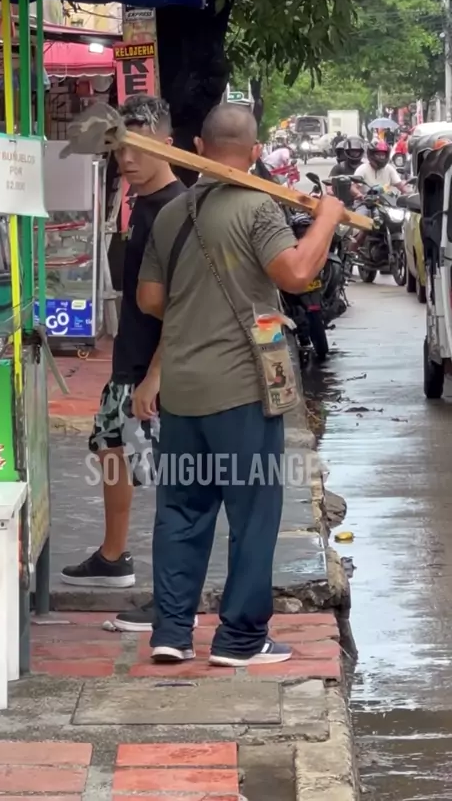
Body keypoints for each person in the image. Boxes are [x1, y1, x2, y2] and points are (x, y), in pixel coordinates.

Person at [137, 103, 344, 667]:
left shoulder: (172, 213)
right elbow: (296, 274)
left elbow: (150, 299)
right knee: (252, 514)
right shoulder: (258, 206)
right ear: (254, 153)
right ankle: (240, 639)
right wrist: (328, 217)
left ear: (198, 148)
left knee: (181, 511)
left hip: (182, 392)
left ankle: (172, 632)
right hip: (242, 392)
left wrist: (195, 308)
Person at [61, 94, 186, 633]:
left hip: (162, 371)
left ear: (168, 145)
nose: (126, 160)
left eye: (137, 147)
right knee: (111, 450)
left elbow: (183, 306)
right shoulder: (143, 205)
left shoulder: (177, 211)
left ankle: (170, 599)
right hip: (129, 363)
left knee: (174, 487)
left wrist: (156, 374)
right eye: (118, 149)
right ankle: (113, 557)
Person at [327, 136, 365, 207]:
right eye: (352, 152)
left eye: (356, 152)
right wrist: (330, 192)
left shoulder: (365, 167)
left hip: (362, 201)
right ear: (347, 152)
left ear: (361, 152)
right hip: (341, 202)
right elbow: (329, 183)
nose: (354, 154)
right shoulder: (339, 167)